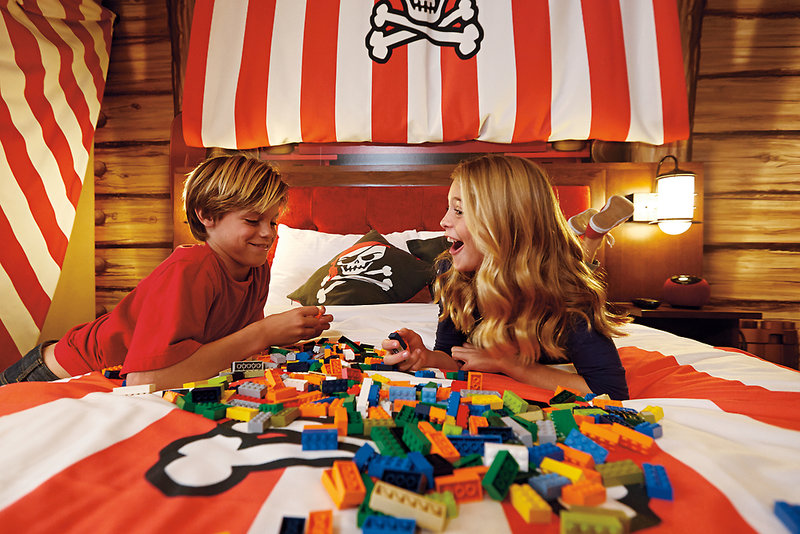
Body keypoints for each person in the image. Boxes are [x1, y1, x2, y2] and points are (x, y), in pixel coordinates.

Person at [0, 155, 332, 390]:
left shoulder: (257, 270)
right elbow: (145, 380)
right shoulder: (190, 269)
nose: (268, 233)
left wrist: (281, 336)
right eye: (252, 220)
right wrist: (265, 332)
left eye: (273, 221)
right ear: (206, 216)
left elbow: (233, 347)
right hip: (53, 374)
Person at [381, 155, 631, 400]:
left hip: (555, 276)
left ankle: (590, 236)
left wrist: (508, 364)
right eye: (448, 208)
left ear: (504, 224)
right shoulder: (450, 272)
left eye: (458, 211)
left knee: (579, 263)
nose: (443, 221)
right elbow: (452, 355)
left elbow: (610, 390)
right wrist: (425, 357)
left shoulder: (569, 292)